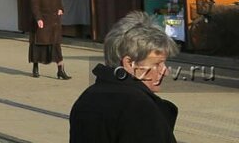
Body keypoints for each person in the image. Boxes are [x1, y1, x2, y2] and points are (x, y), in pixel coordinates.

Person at [69, 11, 179, 142]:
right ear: (129, 64)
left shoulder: (88, 97)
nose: (165, 72)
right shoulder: (139, 108)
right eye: (157, 64)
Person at [28, 0, 71, 80]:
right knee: (38, 44)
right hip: (43, 20)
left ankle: (61, 70)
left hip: (54, 22)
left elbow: (58, 0)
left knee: (57, 46)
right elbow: (34, 4)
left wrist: (61, 9)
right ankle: (35, 67)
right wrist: (38, 18)